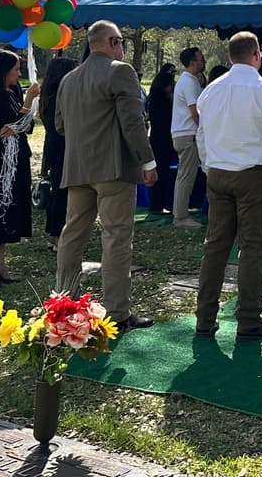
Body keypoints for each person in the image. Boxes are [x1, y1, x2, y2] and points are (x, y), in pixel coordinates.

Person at [193, 31, 262, 340]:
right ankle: (250, 319)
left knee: (215, 247)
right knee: (253, 248)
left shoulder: (211, 90)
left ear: (229, 57)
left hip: (219, 173)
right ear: (257, 55)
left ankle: (205, 318)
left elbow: (202, 135)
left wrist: (209, 165)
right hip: (254, 175)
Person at [54, 20, 159, 332]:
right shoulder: (120, 71)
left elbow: (60, 126)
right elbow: (132, 122)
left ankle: (64, 301)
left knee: (72, 234)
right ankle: (116, 310)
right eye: (121, 41)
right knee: (115, 238)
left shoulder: (69, 79)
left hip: (78, 168)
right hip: (113, 168)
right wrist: (148, 160)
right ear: (112, 42)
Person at [0, 49, 41, 286]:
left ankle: (0, 263)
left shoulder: (12, 92)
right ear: (3, 71)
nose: (19, 74)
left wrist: (20, 119)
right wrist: (27, 104)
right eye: (16, 69)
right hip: (0, 159)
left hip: (18, 156)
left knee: (12, 208)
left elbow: (26, 125)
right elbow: (16, 122)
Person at [39, 56, 79, 249]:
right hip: (62, 145)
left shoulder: (48, 95)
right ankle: (56, 234)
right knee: (62, 191)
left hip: (54, 145)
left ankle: (54, 234)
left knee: (59, 189)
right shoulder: (59, 97)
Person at [171, 47, 206, 229]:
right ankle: (181, 217)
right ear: (193, 62)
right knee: (186, 175)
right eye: (201, 59)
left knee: (184, 175)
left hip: (182, 133)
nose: (203, 62)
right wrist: (204, 130)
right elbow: (195, 112)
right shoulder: (190, 82)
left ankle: (180, 214)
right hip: (188, 134)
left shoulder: (187, 81)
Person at [146, 63, 177, 215]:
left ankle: (157, 204)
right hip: (162, 140)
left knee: (162, 173)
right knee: (161, 173)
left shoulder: (154, 100)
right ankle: (157, 205)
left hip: (158, 139)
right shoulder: (161, 103)